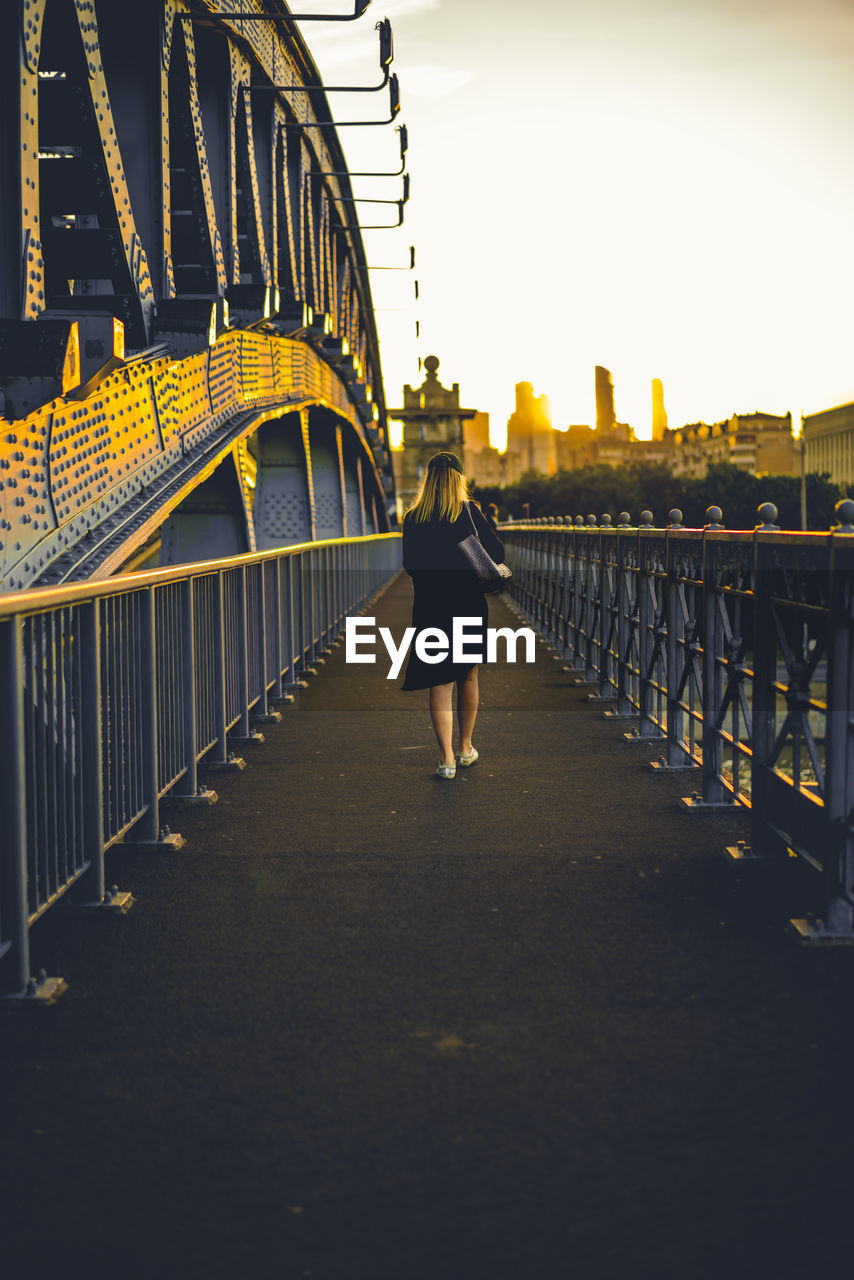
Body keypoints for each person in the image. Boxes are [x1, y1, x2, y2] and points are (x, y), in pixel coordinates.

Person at [401, 452, 506, 780]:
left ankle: (445, 760)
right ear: (459, 480)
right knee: (468, 677)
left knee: (440, 682)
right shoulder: (469, 513)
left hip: (431, 607)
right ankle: (464, 748)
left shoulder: (413, 518)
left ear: (428, 480)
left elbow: (411, 566)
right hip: (467, 603)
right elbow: (497, 555)